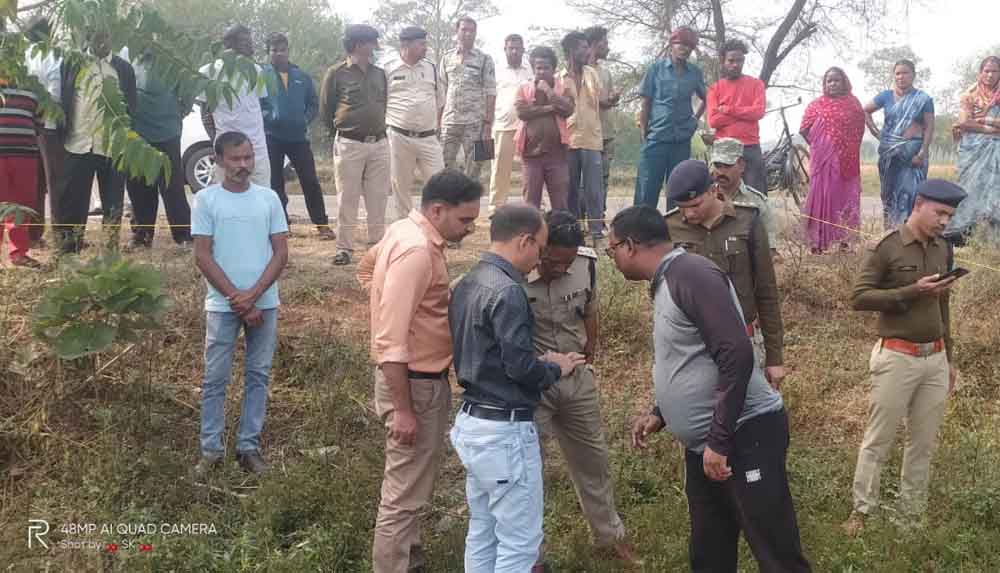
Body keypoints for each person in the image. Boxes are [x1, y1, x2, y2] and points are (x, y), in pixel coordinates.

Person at [607, 205, 810, 573]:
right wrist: (661, 412)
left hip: (744, 435)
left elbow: (736, 354)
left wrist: (719, 439)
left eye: (612, 250)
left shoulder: (691, 274)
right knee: (709, 550)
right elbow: (691, 358)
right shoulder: (670, 280)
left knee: (774, 548)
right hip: (707, 445)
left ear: (632, 245)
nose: (613, 259)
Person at [357, 170, 482, 573]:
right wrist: (404, 408)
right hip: (413, 384)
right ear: (437, 209)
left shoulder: (403, 233)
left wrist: (388, 300)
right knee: (403, 495)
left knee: (410, 486)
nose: (470, 228)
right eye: (464, 220)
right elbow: (391, 342)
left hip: (416, 380)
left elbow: (366, 268)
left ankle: (409, 561)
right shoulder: (416, 252)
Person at [449, 204, 585, 571]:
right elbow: (520, 368)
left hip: (472, 422)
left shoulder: (468, 281)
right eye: (540, 250)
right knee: (520, 544)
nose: (539, 261)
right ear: (525, 241)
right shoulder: (509, 291)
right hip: (504, 430)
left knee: (483, 529)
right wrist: (554, 368)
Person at [842, 179, 966, 536]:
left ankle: (910, 521)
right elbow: (859, 297)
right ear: (919, 204)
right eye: (939, 213)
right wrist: (912, 291)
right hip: (897, 357)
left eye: (949, 215)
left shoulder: (943, 247)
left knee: (922, 444)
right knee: (878, 440)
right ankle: (862, 513)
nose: (944, 222)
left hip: (935, 360)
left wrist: (950, 358)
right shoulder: (888, 247)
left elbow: (943, 305)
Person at [524, 210, 638, 567]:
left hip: (576, 382)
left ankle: (610, 538)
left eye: (567, 263)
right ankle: (530, 554)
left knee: (594, 461)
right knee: (527, 471)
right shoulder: (510, 271)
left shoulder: (585, 265)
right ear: (537, 246)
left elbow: (589, 309)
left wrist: (589, 354)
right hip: (532, 386)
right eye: (553, 261)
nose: (560, 269)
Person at [191, 131, 289, 479]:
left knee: (258, 376)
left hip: (265, 303)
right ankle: (211, 451)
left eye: (248, 158)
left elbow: (280, 252)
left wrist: (254, 294)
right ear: (218, 161)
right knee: (215, 378)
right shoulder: (206, 200)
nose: (243, 165)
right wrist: (238, 298)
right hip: (222, 306)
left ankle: (249, 447)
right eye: (235, 159)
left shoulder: (269, 199)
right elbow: (202, 255)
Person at [665, 160, 785, 386]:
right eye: (682, 206)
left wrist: (774, 358)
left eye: (695, 205)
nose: (688, 214)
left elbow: (767, 292)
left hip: (743, 339)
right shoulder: (670, 228)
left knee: (751, 414)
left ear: (713, 190)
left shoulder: (747, 221)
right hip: (693, 345)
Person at [55, 28, 136, 254]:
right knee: (73, 202)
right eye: (96, 37)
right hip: (78, 143)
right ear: (87, 38)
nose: (102, 42)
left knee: (112, 204)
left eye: (106, 36)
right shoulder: (72, 63)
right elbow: (63, 96)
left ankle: (110, 253)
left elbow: (131, 108)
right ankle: (69, 251)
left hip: (112, 146)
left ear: (112, 38)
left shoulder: (124, 69)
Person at [320, 24, 389, 266]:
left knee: (378, 199)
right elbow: (326, 110)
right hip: (349, 143)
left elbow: (384, 105)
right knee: (347, 198)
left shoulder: (380, 73)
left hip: (380, 144)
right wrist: (341, 135)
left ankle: (377, 249)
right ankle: (344, 249)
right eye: (372, 42)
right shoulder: (336, 73)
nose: (375, 47)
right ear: (359, 44)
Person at [261, 33, 335, 240]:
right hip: (272, 137)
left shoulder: (301, 76)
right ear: (268, 53)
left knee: (310, 180)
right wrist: (269, 117)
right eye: (274, 50)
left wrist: (304, 119)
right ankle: (282, 225)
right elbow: (257, 104)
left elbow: (313, 104)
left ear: (288, 51)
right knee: (275, 183)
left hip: (298, 138)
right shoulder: (261, 76)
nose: (279, 54)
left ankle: (322, 224)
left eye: (282, 49)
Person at [125, 49, 193, 249]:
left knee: (173, 188)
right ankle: (141, 236)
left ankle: (184, 236)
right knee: (139, 188)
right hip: (137, 137)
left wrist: (173, 117)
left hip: (168, 134)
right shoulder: (128, 63)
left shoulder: (173, 65)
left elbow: (187, 101)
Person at [634, 27, 706, 209]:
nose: (685, 49)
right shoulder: (656, 69)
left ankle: (676, 233)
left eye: (689, 45)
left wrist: (694, 121)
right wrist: (644, 131)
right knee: (647, 190)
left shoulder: (695, 73)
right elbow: (646, 102)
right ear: (672, 45)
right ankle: (641, 233)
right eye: (681, 44)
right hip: (656, 138)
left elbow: (707, 98)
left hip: (681, 140)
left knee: (679, 190)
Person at [799, 67, 866, 253]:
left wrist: (844, 148)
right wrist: (821, 145)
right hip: (823, 161)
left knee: (845, 196)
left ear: (844, 82)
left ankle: (845, 241)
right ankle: (817, 242)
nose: (833, 84)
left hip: (848, 160)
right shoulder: (816, 105)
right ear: (824, 84)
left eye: (837, 80)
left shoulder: (853, 104)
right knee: (822, 196)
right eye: (829, 80)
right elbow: (804, 129)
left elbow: (858, 131)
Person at [383, 26, 446, 222]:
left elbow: (440, 101)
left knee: (439, 183)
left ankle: (437, 227)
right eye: (421, 44)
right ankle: (406, 230)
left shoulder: (432, 68)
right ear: (406, 45)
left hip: (428, 137)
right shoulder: (387, 68)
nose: (425, 48)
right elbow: (380, 101)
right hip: (398, 136)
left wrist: (435, 127)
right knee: (401, 186)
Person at [864, 59, 935, 228]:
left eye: (905, 73)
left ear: (913, 75)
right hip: (889, 154)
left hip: (913, 153)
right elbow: (865, 110)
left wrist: (922, 153)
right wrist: (877, 133)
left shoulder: (923, 99)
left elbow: (929, 127)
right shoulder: (885, 96)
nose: (901, 77)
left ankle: (910, 232)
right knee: (888, 195)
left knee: (911, 193)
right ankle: (890, 233)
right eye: (897, 73)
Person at [198, 25, 271, 187]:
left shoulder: (256, 70)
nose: (251, 45)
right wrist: (217, 143)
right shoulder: (208, 72)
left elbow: (259, 106)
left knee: (261, 198)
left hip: (257, 151)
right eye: (246, 41)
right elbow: (205, 114)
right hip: (227, 153)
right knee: (227, 199)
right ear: (230, 44)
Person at [944, 56, 1000, 245]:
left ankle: (993, 240)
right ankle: (962, 236)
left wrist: (979, 121)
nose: (990, 75)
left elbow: (969, 123)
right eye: (987, 71)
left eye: (995, 71)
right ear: (980, 72)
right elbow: (963, 122)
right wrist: (990, 129)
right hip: (973, 153)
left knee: (996, 193)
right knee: (968, 191)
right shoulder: (969, 95)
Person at [514, 46, 574, 211]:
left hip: (557, 155)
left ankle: (560, 235)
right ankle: (533, 235)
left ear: (553, 69)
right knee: (531, 203)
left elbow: (568, 109)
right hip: (531, 155)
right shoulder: (524, 88)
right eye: (538, 68)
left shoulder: (564, 88)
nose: (541, 71)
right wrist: (550, 108)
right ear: (533, 68)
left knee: (560, 202)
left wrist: (549, 92)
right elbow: (522, 112)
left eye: (545, 67)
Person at [560, 31, 606, 244]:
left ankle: (596, 231)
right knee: (570, 189)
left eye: (587, 47)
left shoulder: (592, 74)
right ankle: (574, 231)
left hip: (592, 138)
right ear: (570, 51)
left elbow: (601, 101)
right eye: (582, 47)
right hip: (569, 139)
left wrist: (611, 99)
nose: (587, 51)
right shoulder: (558, 78)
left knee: (594, 190)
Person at [440, 17, 497, 181]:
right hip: (449, 122)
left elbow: (491, 92)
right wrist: (438, 121)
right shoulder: (446, 58)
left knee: (475, 170)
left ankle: (471, 205)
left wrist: (487, 126)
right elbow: (442, 91)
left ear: (475, 33)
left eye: (471, 30)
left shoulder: (485, 59)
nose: (468, 34)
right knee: (444, 168)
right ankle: (449, 204)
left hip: (475, 123)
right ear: (456, 31)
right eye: (464, 30)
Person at [707, 39, 767, 194]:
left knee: (756, 196)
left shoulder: (756, 84)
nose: (735, 64)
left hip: (750, 147)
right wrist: (746, 113)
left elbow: (759, 112)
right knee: (722, 196)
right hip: (724, 148)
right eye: (731, 60)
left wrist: (729, 110)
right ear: (723, 61)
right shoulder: (715, 88)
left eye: (739, 60)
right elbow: (713, 121)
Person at [23, 16, 62, 247]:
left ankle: (33, 236)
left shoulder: (19, 57)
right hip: (45, 128)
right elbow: (54, 94)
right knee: (51, 183)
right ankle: (56, 235)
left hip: (23, 125)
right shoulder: (51, 56)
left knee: (33, 184)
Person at [488, 34, 533, 215]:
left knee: (531, 167)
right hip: (502, 126)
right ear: (504, 49)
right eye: (510, 48)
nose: (514, 51)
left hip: (527, 125)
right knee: (499, 168)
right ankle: (496, 207)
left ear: (523, 49)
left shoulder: (530, 69)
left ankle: (533, 205)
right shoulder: (496, 70)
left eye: (517, 48)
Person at [0, 77, 43, 267]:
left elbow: (40, 122)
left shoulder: (32, 87)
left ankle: (19, 253)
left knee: (22, 204)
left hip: (25, 155)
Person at [710, 137, 779, 251]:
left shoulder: (758, 203)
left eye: (727, 166)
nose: (721, 172)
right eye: (717, 165)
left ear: (741, 165)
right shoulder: (705, 200)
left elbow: (769, 251)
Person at [585, 26, 621, 215]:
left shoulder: (605, 72)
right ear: (592, 45)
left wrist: (613, 99)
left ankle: (599, 216)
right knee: (586, 180)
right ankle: (584, 218)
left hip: (606, 132)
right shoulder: (579, 71)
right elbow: (594, 102)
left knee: (604, 178)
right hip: (587, 136)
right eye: (604, 43)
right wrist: (608, 101)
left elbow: (606, 102)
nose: (608, 47)